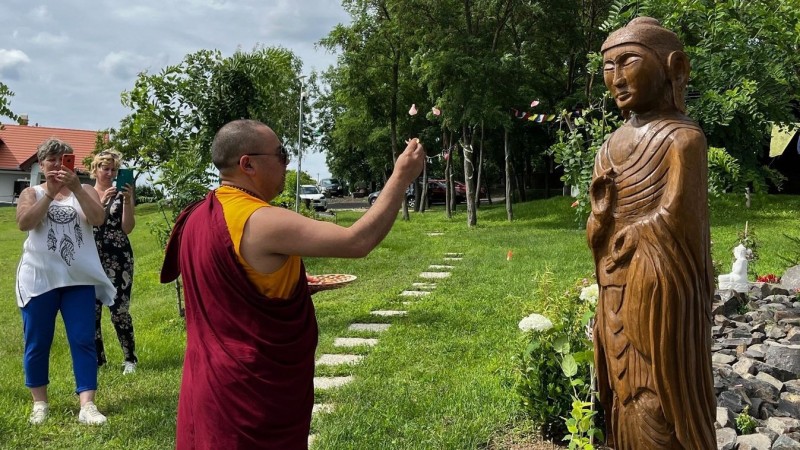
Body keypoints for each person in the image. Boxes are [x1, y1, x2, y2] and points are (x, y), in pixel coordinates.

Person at [160, 119, 425, 449]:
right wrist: (401, 177)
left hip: (207, 382)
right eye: (282, 154)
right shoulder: (259, 219)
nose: (288, 162)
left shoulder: (197, 216)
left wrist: (294, 285)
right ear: (248, 164)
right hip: (251, 393)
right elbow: (357, 242)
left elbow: (235, 285)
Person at [587, 17, 715, 449]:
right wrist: (601, 217)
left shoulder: (683, 139)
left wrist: (640, 232)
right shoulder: (610, 145)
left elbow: (681, 215)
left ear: (673, 68)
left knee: (657, 399)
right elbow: (598, 231)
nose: (617, 79)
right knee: (621, 399)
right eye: (608, 67)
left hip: (658, 297)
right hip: (614, 289)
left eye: (628, 62)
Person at [15, 138, 116, 425]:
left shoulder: (83, 189)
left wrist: (73, 188)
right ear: (41, 164)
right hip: (39, 278)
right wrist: (49, 192)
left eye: (64, 160)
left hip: (78, 279)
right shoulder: (31, 193)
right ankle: (40, 403)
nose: (58, 166)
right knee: (37, 341)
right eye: (52, 161)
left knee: (83, 339)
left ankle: (87, 406)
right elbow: (25, 223)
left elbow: (97, 219)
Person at [89, 149, 138, 374]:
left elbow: (127, 228)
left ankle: (130, 359)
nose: (109, 173)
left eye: (113, 169)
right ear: (95, 169)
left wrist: (127, 201)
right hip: (90, 256)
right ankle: (99, 360)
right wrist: (101, 200)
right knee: (91, 311)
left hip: (118, 257)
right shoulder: (86, 192)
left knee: (119, 310)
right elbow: (86, 220)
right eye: (104, 168)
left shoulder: (123, 193)